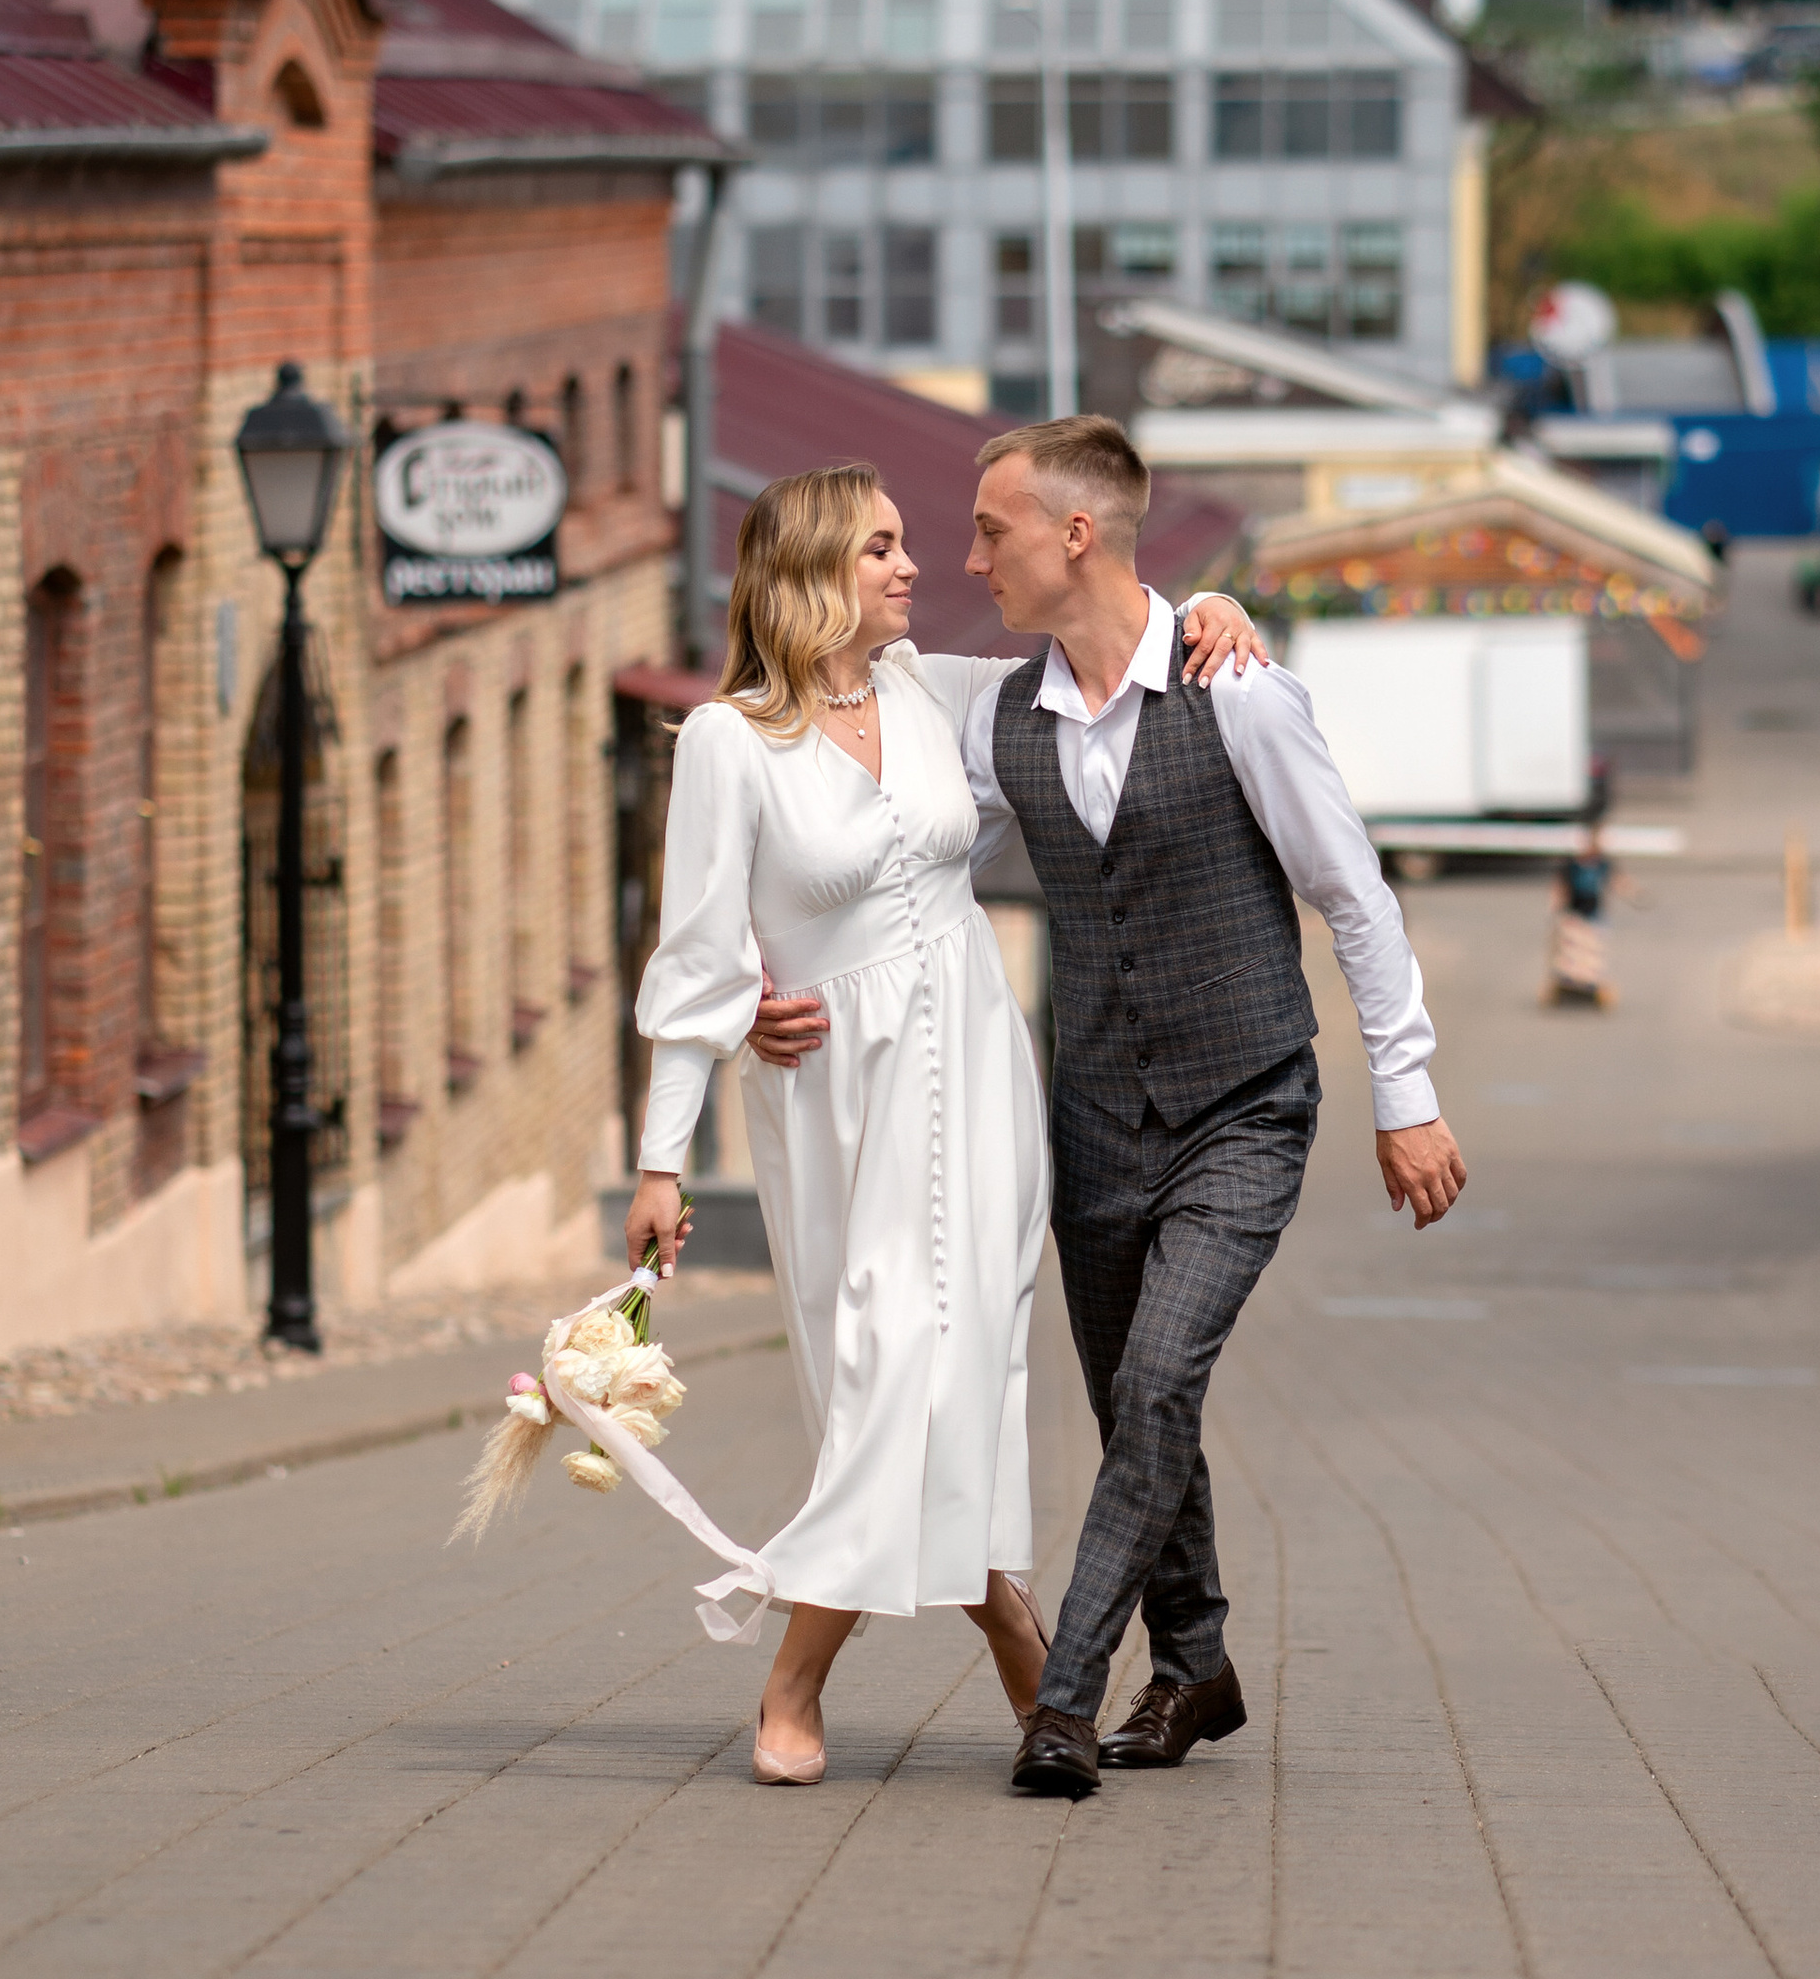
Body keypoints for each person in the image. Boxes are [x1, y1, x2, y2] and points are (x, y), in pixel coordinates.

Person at [751, 415, 1466, 1801]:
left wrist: (1410, 1093)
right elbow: (859, 829)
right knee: (1145, 1401)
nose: (967, 559)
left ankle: (1067, 1698)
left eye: (992, 531)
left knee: (1154, 1383)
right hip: (1088, 1121)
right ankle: (1195, 1665)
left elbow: (1353, 898)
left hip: (1245, 1104)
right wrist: (754, 993)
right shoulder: (991, 712)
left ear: (1075, 535)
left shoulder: (1243, 691)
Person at [622, 464, 1261, 1785]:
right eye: (880, 550)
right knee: (885, 1375)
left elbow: (1105, 637)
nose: (913, 567)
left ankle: (832, 1685)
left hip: (976, 1079)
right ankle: (1016, 1650)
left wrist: (1215, 606)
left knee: (960, 1374)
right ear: (806, 578)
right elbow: (694, 962)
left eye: (909, 545)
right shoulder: (728, 742)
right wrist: (661, 1156)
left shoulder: (943, 693)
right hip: (832, 1098)